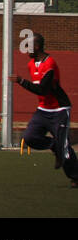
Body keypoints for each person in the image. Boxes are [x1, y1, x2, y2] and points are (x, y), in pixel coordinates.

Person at [10, 34, 77, 186]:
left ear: (37, 47)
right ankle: (53, 145)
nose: (26, 50)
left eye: (29, 46)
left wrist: (21, 81)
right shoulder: (31, 64)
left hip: (59, 109)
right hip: (43, 110)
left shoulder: (50, 64)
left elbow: (42, 90)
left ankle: (75, 176)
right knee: (30, 137)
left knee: (64, 146)